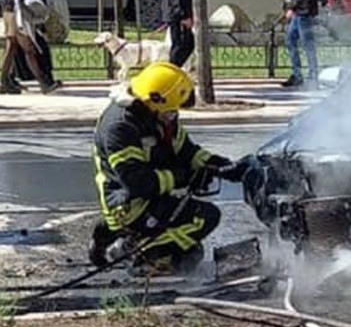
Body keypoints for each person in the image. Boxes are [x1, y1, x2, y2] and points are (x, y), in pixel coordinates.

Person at [87, 62, 247, 276]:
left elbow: (187, 152)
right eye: (171, 112)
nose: (174, 116)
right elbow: (138, 182)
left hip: (145, 199)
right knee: (205, 218)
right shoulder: (120, 127)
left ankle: (120, 236)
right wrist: (187, 178)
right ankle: (139, 253)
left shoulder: (155, 114)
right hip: (127, 205)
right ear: (155, 100)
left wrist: (223, 166)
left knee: (191, 253)